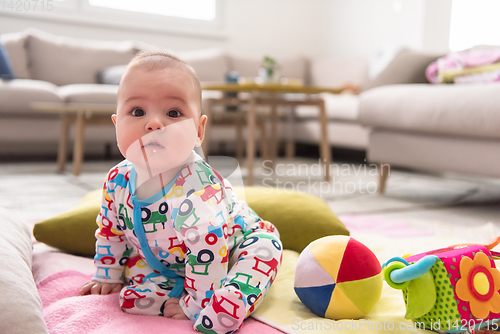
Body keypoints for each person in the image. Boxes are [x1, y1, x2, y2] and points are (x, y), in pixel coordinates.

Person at [78, 51, 283, 334]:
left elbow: (208, 250)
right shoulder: (117, 180)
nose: (153, 124)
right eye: (137, 112)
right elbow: (110, 230)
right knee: (131, 294)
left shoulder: (199, 187)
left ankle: (230, 300)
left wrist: (198, 302)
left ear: (199, 131)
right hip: (169, 262)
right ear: (117, 125)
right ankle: (172, 294)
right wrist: (108, 273)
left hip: (233, 247)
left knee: (265, 250)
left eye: (173, 113)